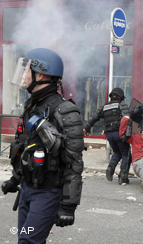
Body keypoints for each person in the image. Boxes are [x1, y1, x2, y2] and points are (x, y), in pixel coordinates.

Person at [1, 48, 85, 243]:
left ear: (40, 74)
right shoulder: (32, 106)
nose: (22, 75)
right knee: (24, 237)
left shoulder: (66, 112)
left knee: (28, 241)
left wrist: (68, 206)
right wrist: (15, 179)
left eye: (26, 71)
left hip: (47, 194)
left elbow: (74, 162)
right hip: (27, 190)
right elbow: (25, 147)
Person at [85, 88, 130, 184]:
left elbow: (94, 117)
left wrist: (87, 128)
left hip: (109, 135)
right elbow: (127, 119)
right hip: (119, 134)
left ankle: (110, 168)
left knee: (117, 152)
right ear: (120, 97)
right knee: (126, 154)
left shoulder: (104, 106)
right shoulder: (121, 105)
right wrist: (127, 135)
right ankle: (123, 176)